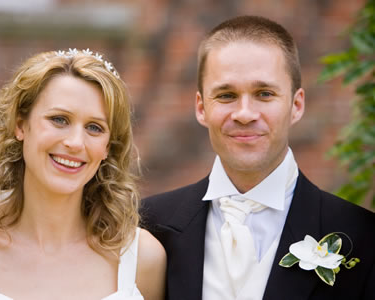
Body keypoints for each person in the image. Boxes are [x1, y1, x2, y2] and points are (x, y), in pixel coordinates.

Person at [141, 16, 374, 300]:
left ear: (296, 105)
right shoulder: (147, 226)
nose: (245, 114)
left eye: (264, 94)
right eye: (226, 95)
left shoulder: (363, 235)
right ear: (201, 108)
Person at [0, 48, 166, 300]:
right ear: (20, 125)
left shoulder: (144, 259)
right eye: (59, 119)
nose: (75, 142)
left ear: (107, 146)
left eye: (94, 127)